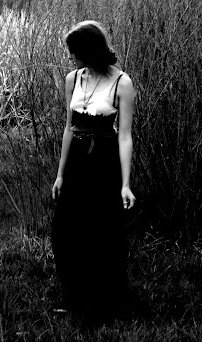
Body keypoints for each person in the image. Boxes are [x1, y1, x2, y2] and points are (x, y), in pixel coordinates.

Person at [51, 20, 137, 321]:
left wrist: (125, 184)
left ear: (88, 50)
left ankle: (106, 303)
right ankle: (75, 298)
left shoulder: (122, 83)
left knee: (102, 231)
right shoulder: (72, 79)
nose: (69, 57)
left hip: (104, 160)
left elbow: (124, 136)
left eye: (74, 51)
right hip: (76, 159)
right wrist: (60, 175)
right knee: (65, 230)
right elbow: (69, 128)